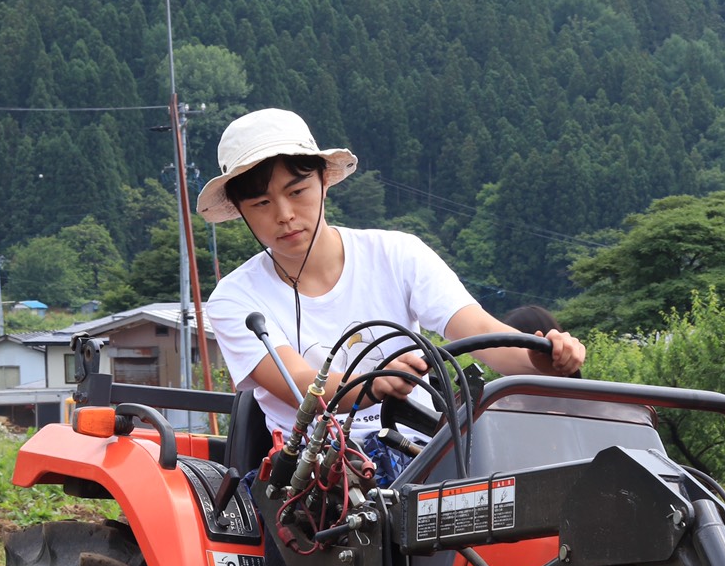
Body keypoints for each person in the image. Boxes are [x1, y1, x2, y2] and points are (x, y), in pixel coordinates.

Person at [199, 108, 586, 441]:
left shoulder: (397, 254)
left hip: (427, 452)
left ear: (323, 182)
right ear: (240, 210)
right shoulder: (236, 299)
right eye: (262, 203)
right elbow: (299, 382)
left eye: (297, 191)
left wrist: (543, 359)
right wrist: (371, 384)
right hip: (314, 477)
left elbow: (480, 333)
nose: (283, 214)